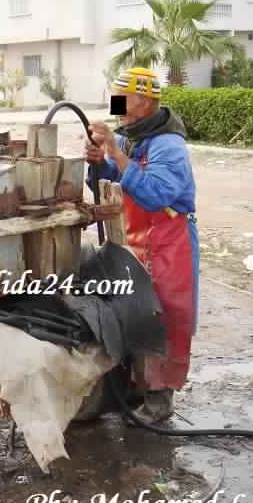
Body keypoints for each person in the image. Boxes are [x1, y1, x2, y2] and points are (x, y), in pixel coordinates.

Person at [85, 67, 199, 425]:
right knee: (133, 314)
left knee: (164, 316)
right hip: (137, 240)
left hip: (170, 241)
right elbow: (112, 183)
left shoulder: (168, 144)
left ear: (145, 101)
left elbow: (156, 193)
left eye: (123, 96)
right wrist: (98, 163)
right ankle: (135, 387)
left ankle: (160, 399)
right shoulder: (130, 137)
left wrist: (116, 156)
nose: (116, 103)